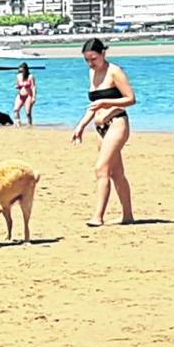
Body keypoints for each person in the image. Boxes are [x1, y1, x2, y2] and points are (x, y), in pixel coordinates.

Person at [72, 38, 135, 227]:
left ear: (103, 54)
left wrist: (109, 104)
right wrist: (81, 125)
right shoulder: (92, 74)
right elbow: (93, 105)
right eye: (87, 60)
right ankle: (128, 216)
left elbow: (131, 99)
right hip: (99, 128)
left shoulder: (114, 71)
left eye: (94, 59)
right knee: (117, 173)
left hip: (117, 123)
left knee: (101, 169)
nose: (91, 64)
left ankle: (97, 217)